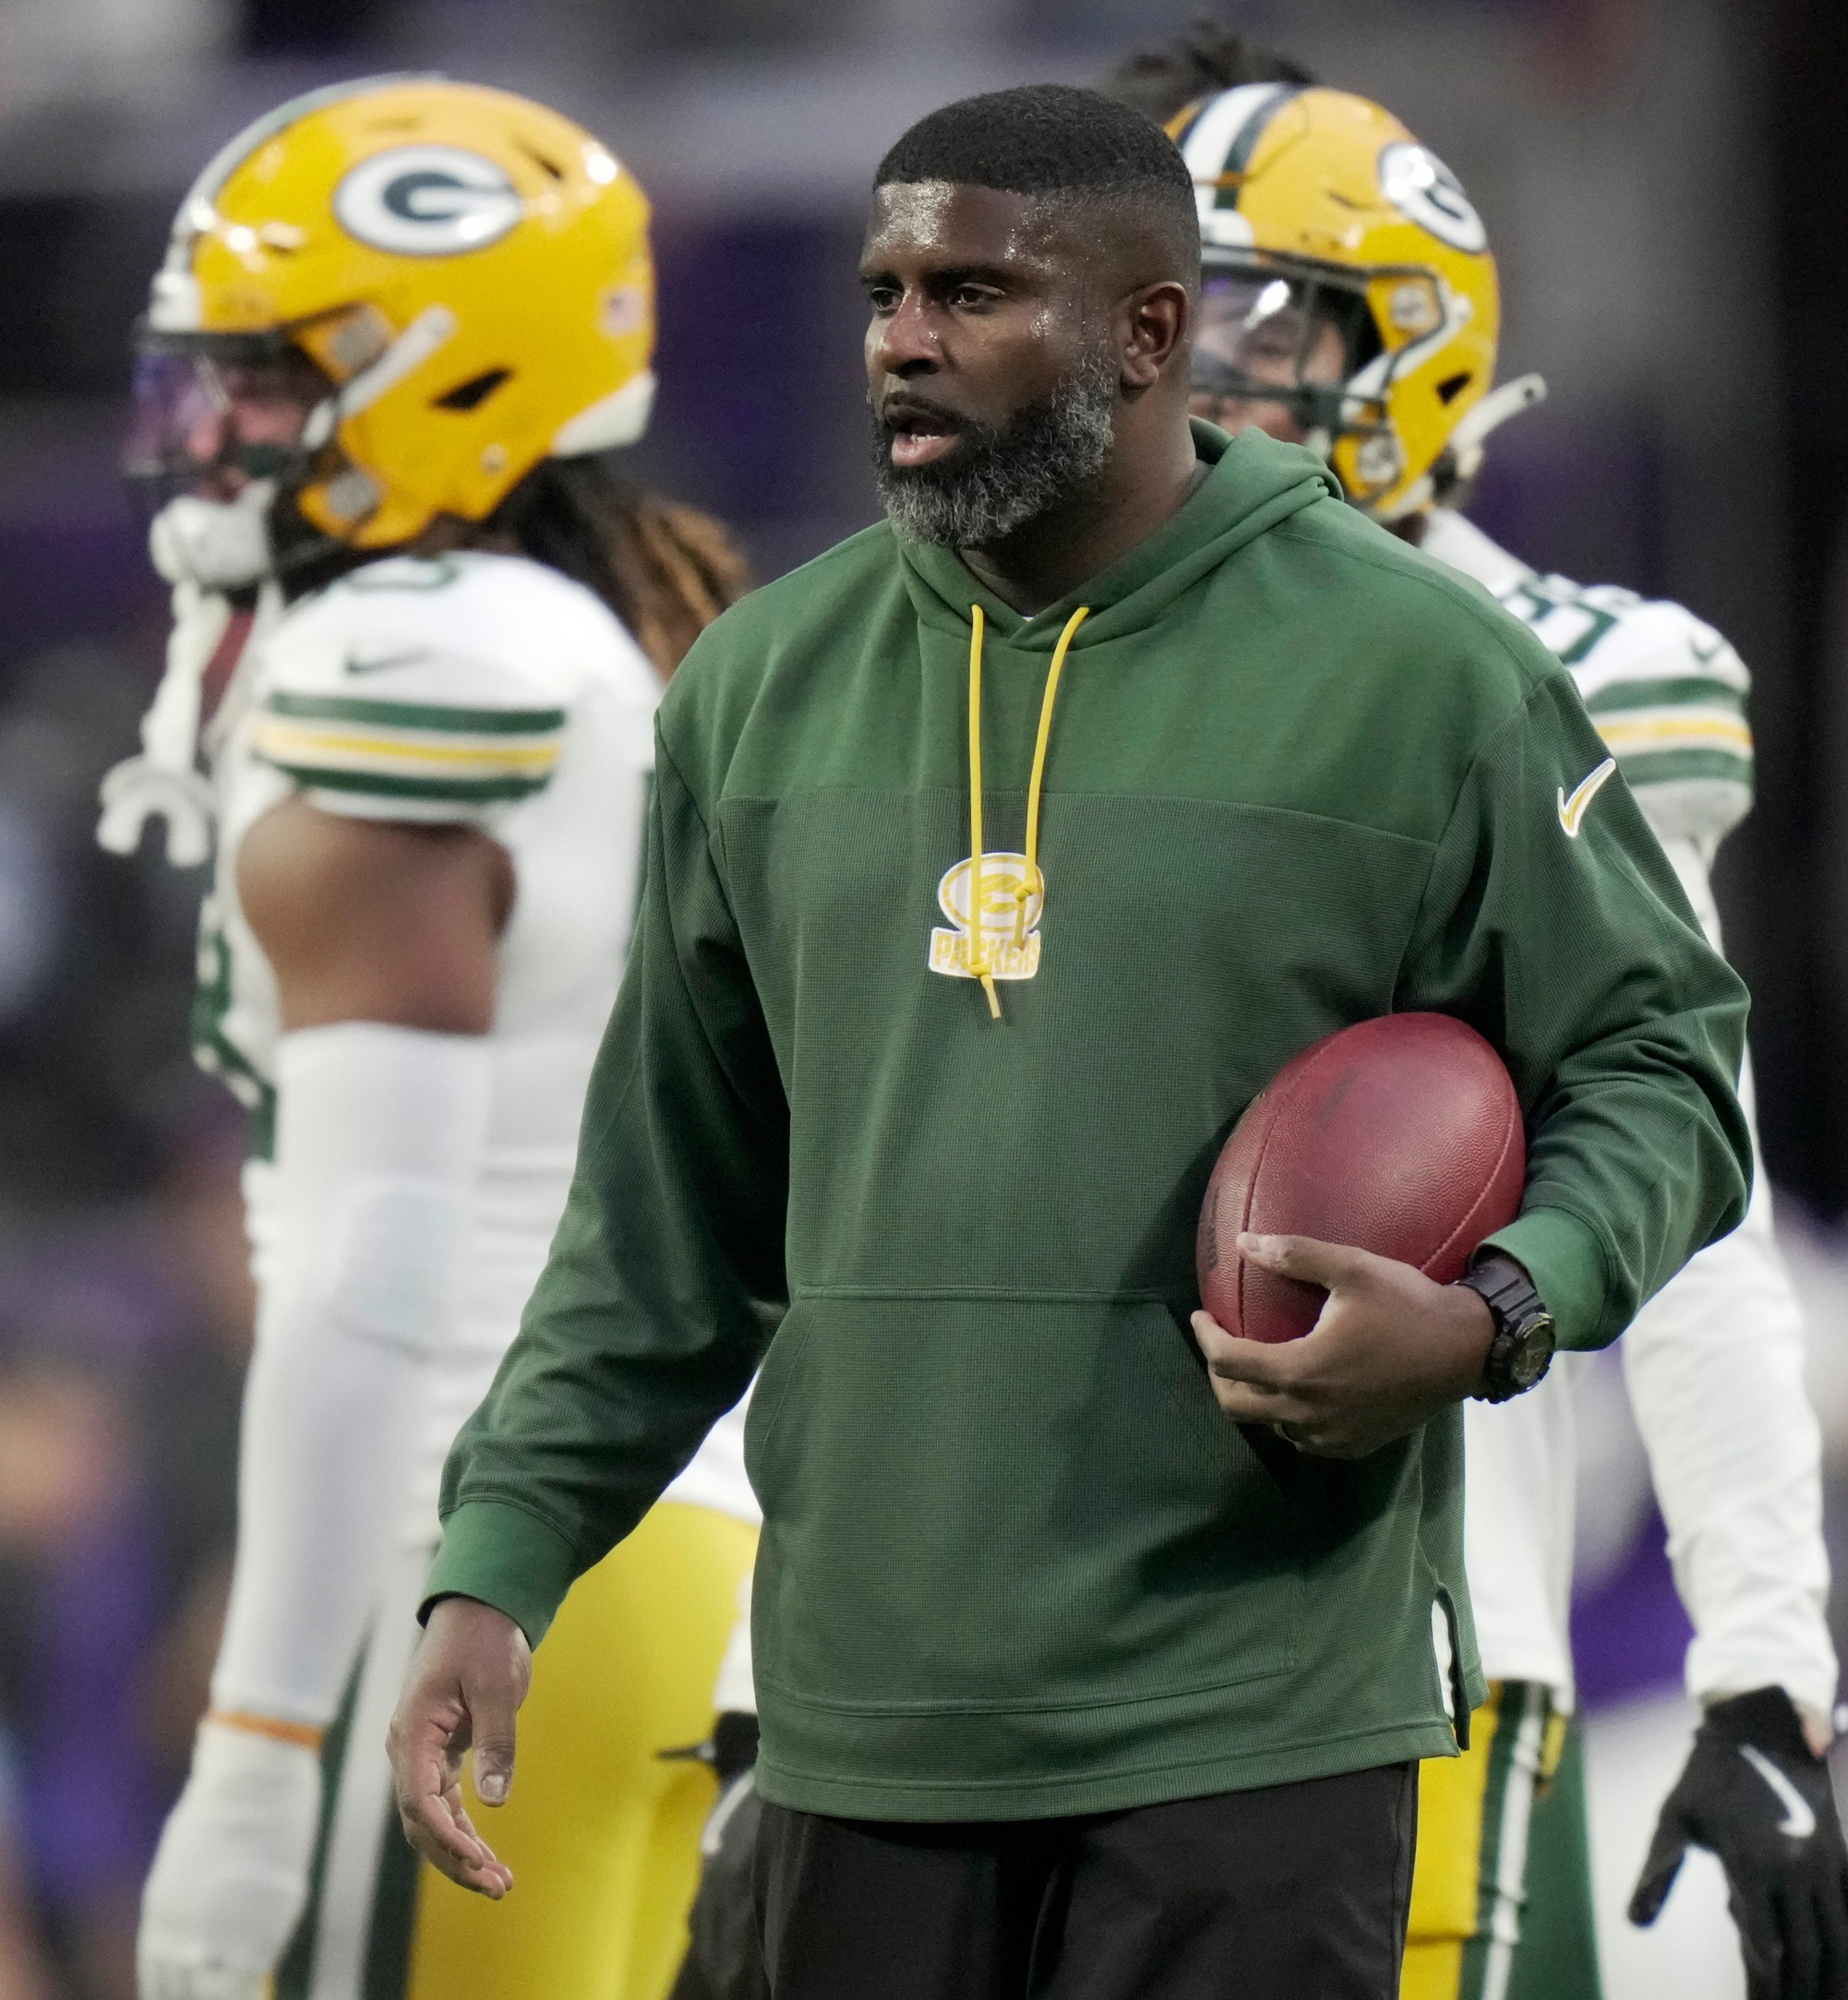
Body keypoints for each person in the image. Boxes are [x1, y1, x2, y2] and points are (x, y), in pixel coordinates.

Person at [387, 83, 1752, 2000]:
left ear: (1147, 333)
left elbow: (1661, 1062)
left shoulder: (1420, 672)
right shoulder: (760, 691)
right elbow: (659, 1228)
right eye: (882, 291)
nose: (904, 339)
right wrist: (496, 1561)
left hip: (1253, 1730)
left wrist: (1498, 1309)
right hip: (858, 1731)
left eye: (973, 290)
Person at [1104, 39, 1848, 2000]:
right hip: (1032, 1663)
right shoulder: (1007, 680)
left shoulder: (1574, 680)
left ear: (1403, 342)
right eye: (1158, 318)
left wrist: (1763, 1661)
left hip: (1404, 1653)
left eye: (1251, 319)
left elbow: (1693, 1213)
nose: (1194, 372)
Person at [99, 77, 761, 2000]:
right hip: (665, 1567)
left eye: (273, 377)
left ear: (457, 377)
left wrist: (257, 1741)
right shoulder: (584, 628)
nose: (213, 433)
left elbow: (374, 1272)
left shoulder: (415, 662)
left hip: (476, 1579)